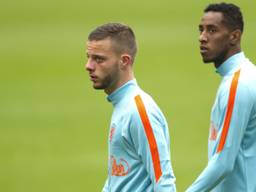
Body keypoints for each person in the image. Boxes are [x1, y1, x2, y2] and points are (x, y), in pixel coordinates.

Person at [85, 23, 176, 191]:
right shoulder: (122, 105)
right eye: (88, 57)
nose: (89, 66)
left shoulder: (139, 111)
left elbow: (164, 180)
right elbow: (117, 177)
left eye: (99, 59)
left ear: (124, 61)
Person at [187, 3, 256, 192]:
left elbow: (223, 162)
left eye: (212, 30)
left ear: (234, 36)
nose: (202, 37)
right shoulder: (245, 75)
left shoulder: (238, 85)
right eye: (201, 30)